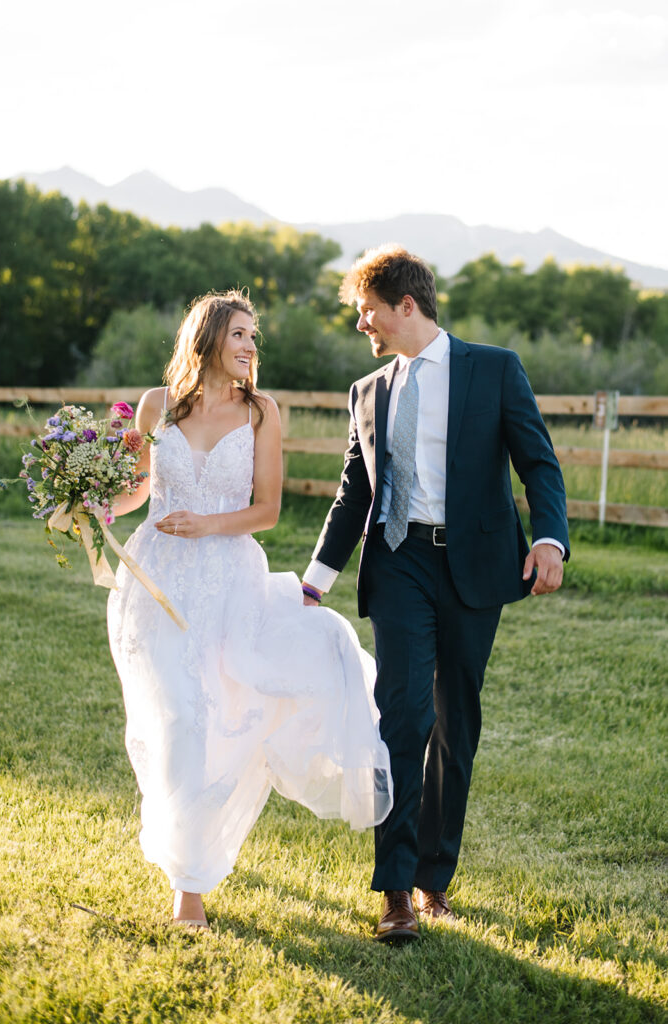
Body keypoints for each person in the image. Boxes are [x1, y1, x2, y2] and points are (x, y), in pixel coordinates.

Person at [302, 245, 569, 943]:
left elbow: (537, 460)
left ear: (405, 306)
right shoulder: (367, 392)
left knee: (455, 727)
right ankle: (392, 891)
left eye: (367, 313)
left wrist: (548, 540)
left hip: (476, 566)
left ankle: (432, 877)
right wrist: (317, 577)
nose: (363, 326)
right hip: (398, 564)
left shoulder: (494, 368)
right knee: (401, 719)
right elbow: (351, 493)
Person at [106, 289, 392, 929]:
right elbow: (137, 491)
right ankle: (188, 878)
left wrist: (206, 524)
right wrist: (92, 503)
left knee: (212, 717)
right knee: (175, 714)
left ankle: (190, 879)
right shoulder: (156, 406)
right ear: (206, 337)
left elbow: (267, 511)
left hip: (227, 582)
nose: (249, 346)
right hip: (156, 581)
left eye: (253, 336)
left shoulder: (263, 412)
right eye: (239, 333)